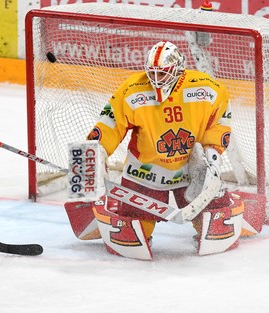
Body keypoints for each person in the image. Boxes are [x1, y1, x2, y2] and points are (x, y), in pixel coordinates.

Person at [82, 40, 244, 259]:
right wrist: (96, 153)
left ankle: (215, 203)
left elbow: (219, 121)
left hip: (191, 169)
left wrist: (212, 156)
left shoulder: (206, 89)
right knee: (131, 235)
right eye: (153, 73)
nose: (157, 80)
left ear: (178, 70)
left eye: (163, 73)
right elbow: (110, 124)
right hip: (145, 172)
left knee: (217, 225)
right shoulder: (132, 90)